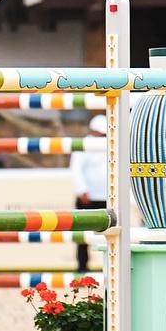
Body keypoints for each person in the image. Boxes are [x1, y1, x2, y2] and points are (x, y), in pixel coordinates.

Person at [70, 114, 109, 273]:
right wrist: (82, 190)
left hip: (107, 197)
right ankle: (82, 267)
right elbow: (75, 169)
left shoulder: (111, 144)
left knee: (110, 235)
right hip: (88, 197)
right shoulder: (83, 145)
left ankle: (109, 267)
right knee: (82, 236)